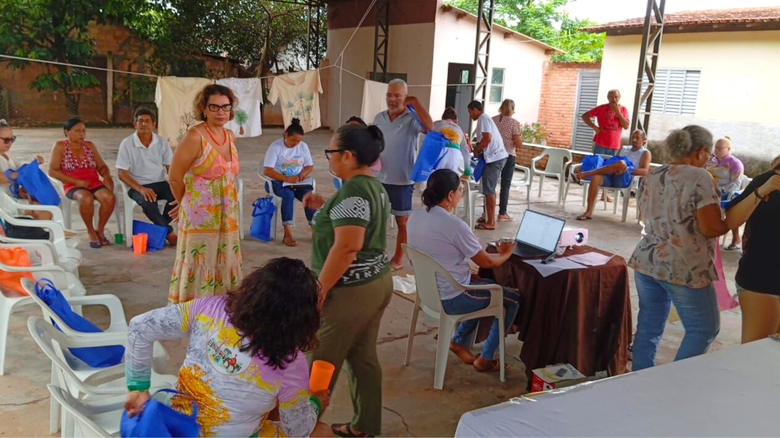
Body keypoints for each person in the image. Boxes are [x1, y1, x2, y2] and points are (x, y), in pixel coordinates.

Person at [123, 258, 332, 438]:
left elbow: (140, 327)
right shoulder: (291, 361)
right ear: (301, 318)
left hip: (175, 426)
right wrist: (314, 402)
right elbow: (297, 430)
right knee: (322, 432)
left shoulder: (209, 309)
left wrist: (137, 388)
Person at [303, 123, 391, 438]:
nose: (329, 158)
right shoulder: (372, 185)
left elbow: (348, 246)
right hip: (376, 284)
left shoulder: (354, 190)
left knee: (321, 359)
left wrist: (320, 288)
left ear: (348, 156)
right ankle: (364, 426)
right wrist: (326, 207)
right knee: (362, 356)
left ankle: (302, 427)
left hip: (350, 291)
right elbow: (355, 221)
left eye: (332, 152)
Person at [628, 125, 730, 371]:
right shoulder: (700, 177)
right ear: (700, 151)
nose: (708, 161)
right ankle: (675, 382)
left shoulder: (654, 174)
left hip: (647, 260)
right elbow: (710, 228)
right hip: (683, 265)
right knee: (703, 328)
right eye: (707, 156)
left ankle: (639, 378)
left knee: (649, 324)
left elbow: (645, 216)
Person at [408, 169, 522, 372]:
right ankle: (486, 359)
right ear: (450, 195)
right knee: (512, 298)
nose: (461, 194)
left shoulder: (415, 216)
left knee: (481, 285)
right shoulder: (454, 225)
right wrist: (506, 252)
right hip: (452, 298)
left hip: (429, 293)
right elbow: (486, 261)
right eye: (460, 190)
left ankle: (459, 342)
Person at [168, 84, 242, 304]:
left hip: (227, 214)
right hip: (200, 215)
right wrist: (185, 204)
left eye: (225, 107)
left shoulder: (230, 135)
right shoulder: (194, 137)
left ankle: (220, 310)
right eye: (214, 107)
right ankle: (196, 312)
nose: (220, 112)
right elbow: (174, 176)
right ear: (204, 108)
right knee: (200, 259)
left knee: (225, 257)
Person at [373, 79, 433, 271]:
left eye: (397, 95)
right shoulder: (379, 118)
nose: (392, 99)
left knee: (402, 222)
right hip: (379, 178)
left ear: (405, 97)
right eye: (389, 95)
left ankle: (398, 259)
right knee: (376, 219)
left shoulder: (412, 119)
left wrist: (416, 104)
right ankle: (375, 254)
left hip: (401, 179)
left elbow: (430, 127)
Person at [724, 162, 780, 343]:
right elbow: (732, 221)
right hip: (762, 279)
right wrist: (762, 190)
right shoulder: (768, 180)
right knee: (756, 352)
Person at [49, 117, 116, 248]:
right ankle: (90, 231)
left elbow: (101, 166)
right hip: (72, 185)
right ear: (66, 132)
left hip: (93, 183)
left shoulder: (89, 146)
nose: (81, 134)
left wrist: (107, 176)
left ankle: (100, 230)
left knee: (109, 197)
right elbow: (52, 171)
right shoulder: (60, 146)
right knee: (86, 198)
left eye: (83, 131)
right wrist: (76, 181)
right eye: (77, 131)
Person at [116, 108, 177, 245]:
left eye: (147, 121)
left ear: (153, 124)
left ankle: (159, 229)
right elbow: (121, 173)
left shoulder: (161, 142)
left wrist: (178, 185)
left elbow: (170, 169)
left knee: (178, 197)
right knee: (148, 202)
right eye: (140, 121)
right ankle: (169, 233)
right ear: (135, 124)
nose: (144, 124)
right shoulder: (127, 144)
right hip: (137, 185)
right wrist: (141, 189)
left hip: (159, 182)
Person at [573, 129, 652, 221]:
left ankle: (585, 174)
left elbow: (645, 171)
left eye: (637, 138)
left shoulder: (645, 153)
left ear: (644, 139)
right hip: (611, 175)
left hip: (625, 178)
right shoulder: (624, 148)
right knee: (596, 177)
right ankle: (589, 211)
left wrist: (627, 168)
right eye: (633, 137)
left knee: (622, 164)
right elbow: (614, 162)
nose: (634, 140)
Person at [262, 118, 316, 247]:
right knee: (288, 195)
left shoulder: (303, 147)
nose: (296, 144)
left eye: (298, 141)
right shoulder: (276, 147)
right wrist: (286, 178)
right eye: (293, 140)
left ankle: (315, 230)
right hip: (278, 181)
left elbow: (309, 166)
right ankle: (287, 232)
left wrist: (302, 174)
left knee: (308, 196)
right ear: (286, 135)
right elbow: (267, 170)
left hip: (297, 182)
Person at [467, 100, 508, 230]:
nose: (470, 115)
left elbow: (487, 138)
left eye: (470, 112)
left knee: (489, 190)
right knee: (487, 188)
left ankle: (491, 221)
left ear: (475, 110)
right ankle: (487, 216)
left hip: (495, 158)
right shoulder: (484, 119)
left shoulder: (483, 118)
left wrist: (477, 150)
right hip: (493, 157)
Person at [0, 119, 51, 220]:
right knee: (43, 210)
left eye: (12, 139)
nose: (10, 143)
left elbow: (22, 170)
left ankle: (48, 232)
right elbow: (4, 177)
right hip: (4, 203)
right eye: (6, 140)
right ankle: (50, 232)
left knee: (47, 203)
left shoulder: (8, 155)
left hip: (12, 197)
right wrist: (23, 173)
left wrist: (34, 163)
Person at [706, 137, 745, 250]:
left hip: (725, 193)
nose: (716, 150)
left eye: (720, 148)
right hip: (708, 189)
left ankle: (713, 233)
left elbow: (736, 183)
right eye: (715, 147)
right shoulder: (710, 160)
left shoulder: (735, 163)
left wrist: (719, 189)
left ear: (728, 149)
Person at [492, 99, 523, 221]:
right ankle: (502, 212)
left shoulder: (493, 120)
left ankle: (486, 212)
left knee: (491, 184)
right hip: (509, 155)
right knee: (505, 184)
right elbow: (518, 143)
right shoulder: (513, 123)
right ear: (513, 109)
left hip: (494, 155)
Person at [581, 89, 630, 156]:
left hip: (615, 146)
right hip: (600, 144)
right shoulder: (601, 108)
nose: (614, 99)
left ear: (619, 97)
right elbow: (584, 116)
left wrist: (618, 112)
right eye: (611, 97)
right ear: (608, 97)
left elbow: (626, 126)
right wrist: (594, 127)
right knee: (598, 165)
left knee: (611, 165)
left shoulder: (623, 109)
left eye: (616, 97)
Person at [432, 107, 467, 174]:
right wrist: (467, 172)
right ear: (455, 120)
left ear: (442, 118)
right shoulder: (459, 129)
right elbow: (465, 152)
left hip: (439, 149)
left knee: (436, 177)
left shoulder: (436, 124)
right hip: (455, 152)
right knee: (450, 179)